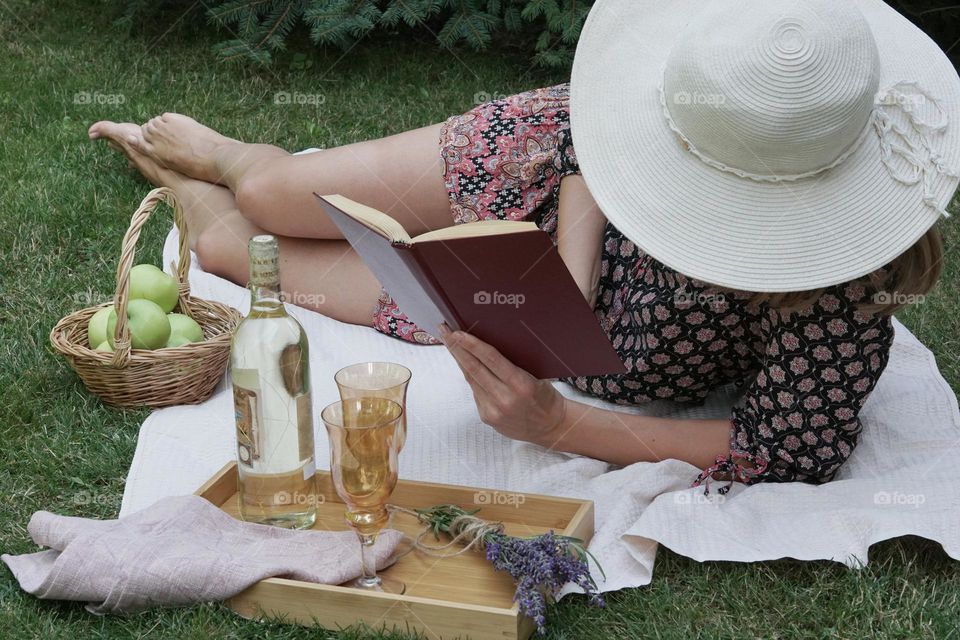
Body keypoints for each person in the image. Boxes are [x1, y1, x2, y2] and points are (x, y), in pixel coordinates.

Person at [89, 0, 959, 489]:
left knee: (244, 254)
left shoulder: (843, 293)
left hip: (512, 308)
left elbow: (781, 448)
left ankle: (185, 185)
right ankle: (237, 157)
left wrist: (561, 422)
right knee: (278, 192)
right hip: (540, 174)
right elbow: (590, 141)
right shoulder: (720, 82)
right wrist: (566, 283)